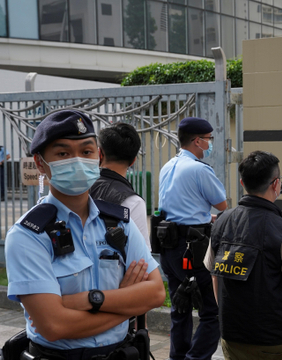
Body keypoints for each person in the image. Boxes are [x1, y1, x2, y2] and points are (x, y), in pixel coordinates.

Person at [4, 110, 165, 359]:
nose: (77, 160)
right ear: (40, 163)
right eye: (63, 154)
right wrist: (128, 306)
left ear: (98, 157)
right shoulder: (28, 236)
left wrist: (89, 299)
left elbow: (155, 293)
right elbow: (54, 326)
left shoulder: (118, 222)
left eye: (86, 151)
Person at [204, 150, 282, 360]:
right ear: (275, 185)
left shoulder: (221, 223)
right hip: (277, 340)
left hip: (233, 336)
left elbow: (214, 274)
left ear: (242, 182)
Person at [158, 117, 228, 360]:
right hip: (193, 250)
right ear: (197, 141)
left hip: (169, 247)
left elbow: (179, 208)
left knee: (180, 307)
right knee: (212, 311)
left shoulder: (168, 166)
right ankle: (195, 358)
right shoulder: (199, 169)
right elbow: (222, 204)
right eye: (208, 139)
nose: (210, 143)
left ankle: (178, 357)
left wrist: (203, 216)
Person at [90, 122, 150, 250]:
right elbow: (141, 255)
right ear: (133, 161)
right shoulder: (133, 202)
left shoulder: (79, 187)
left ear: (100, 154)